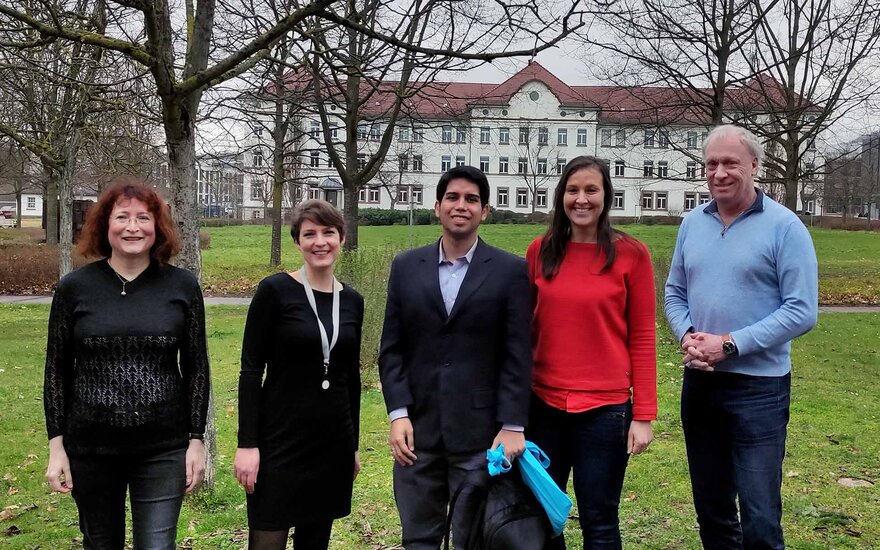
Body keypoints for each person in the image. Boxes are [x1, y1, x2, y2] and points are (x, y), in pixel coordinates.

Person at [665, 124, 818, 549]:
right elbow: (675, 292)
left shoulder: (785, 228)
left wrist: (729, 344)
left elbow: (802, 310)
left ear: (755, 165)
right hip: (701, 384)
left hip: (759, 391)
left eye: (730, 162)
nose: (719, 173)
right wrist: (688, 337)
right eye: (711, 164)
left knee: (759, 515)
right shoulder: (692, 223)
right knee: (712, 512)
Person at [43, 181, 210, 549]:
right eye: (122, 217)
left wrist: (196, 441)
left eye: (143, 218)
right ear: (105, 225)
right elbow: (56, 370)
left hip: (163, 448)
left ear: (157, 227)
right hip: (91, 448)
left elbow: (197, 368)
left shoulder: (181, 286)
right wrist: (57, 446)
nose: (132, 227)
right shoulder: (74, 288)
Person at [379, 165, 533, 549]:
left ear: (484, 211)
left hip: (479, 436)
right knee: (419, 539)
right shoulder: (405, 267)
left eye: (471, 199)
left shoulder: (511, 271)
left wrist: (513, 422)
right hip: (417, 433)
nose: (460, 205)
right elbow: (392, 348)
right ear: (437, 206)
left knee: (472, 541)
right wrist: (398, 414)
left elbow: (518, 353)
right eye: (452, 197)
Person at [525, 156, 657, 549]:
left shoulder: (632, 254)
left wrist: (644, 415)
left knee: (599, 518)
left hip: (605, 411)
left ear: (606, 196)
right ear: (561, 196)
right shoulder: (540, 251)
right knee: (543, 516)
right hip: (543, 406)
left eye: (591, 190)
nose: (581, 199)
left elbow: (643, 336)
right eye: (573, 190)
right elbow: (523, 332)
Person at [234, 199, 364, 550]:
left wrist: (352, 445)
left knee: (315, 542)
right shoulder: (275, 291)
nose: (319, 241)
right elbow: (250, 372)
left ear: (341, 238)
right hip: (279, 442)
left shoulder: (352, 300)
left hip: (331, 443)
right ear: (297, 242)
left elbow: (350, 378)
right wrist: (247, 444)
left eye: (328, 232)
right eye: (309, 234)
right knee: (267, 538)